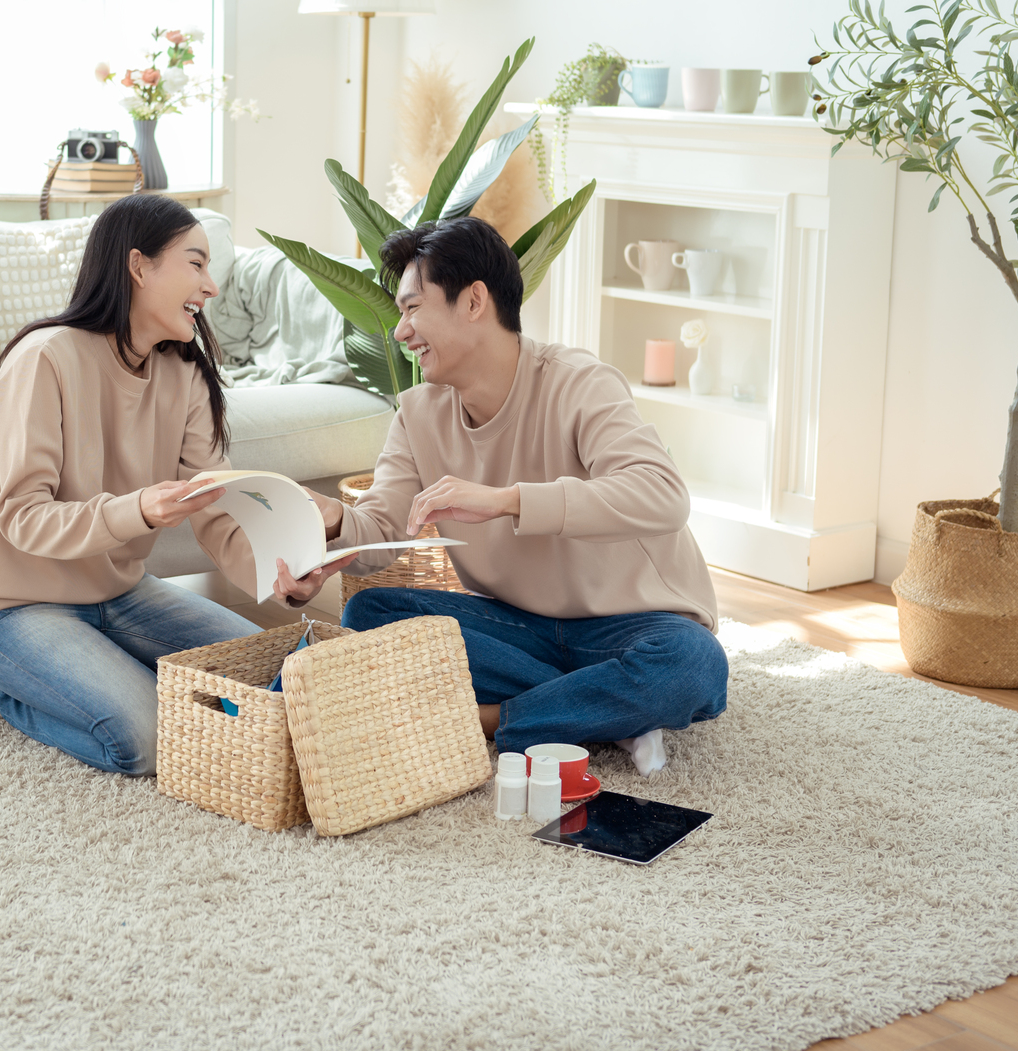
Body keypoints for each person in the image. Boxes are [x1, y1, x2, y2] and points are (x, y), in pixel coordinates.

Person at [270, 216, 727, 775]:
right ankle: (604, 711)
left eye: (413, 308)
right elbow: (383, 528)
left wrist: (508, 500)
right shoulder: (417, 414)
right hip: (518, 629)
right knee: (370, 611)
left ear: (474, 301)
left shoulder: (578, 382)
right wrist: (334, 526)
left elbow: (662, 494)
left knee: (693, 666)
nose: (400, 331)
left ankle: (490, 719)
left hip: (632, 625)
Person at [0, 195, 335, 776]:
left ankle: (99, 674)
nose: (211, 287)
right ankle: (8, 694)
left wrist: (282, 576)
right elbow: (23, 516)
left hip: (122, 595)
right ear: (138, 266)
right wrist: (139, 511)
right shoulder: (45, 358)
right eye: (196, 264)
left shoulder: (185, 372)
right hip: (12, 608)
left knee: (284, 675)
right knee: (147, 741)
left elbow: (218, 509)